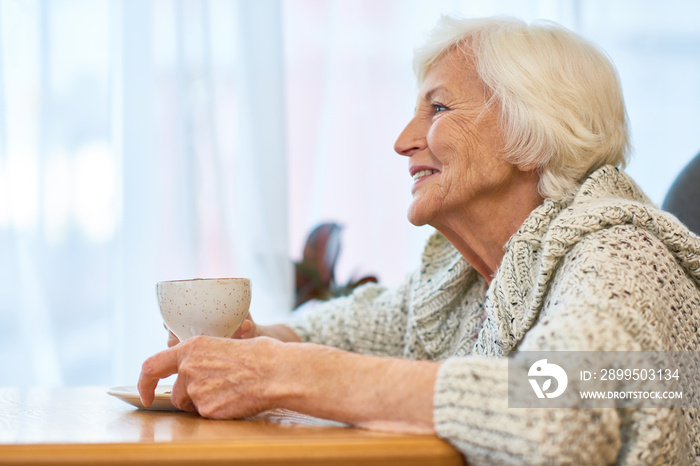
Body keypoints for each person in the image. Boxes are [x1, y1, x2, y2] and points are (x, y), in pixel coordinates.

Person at [139, 16, 700, 464]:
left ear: (534, 132)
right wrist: (250, 344)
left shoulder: (625, 255)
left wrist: (285, 372)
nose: (403, 141)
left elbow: (566, 405)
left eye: (437, 108)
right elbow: (349, 328)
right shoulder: (467, 279)